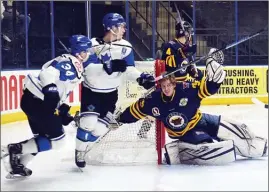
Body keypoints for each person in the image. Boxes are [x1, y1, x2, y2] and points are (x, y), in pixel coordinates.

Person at [115, 55, 268, 165]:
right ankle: (178, 150)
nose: (166, 89)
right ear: (160, 87)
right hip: (184, 133)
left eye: (169, 85)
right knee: (211, 149)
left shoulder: (187, 89)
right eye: (163, 86)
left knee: (240, 129)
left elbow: (208, 89)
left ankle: (262, 148)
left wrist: (215, 81)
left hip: (201, 120)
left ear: (174, 84)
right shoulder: (153, 101)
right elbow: (134, 111)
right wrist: (119, 119)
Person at [1, 35, 91, 178]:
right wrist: (50, 89)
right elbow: (48, 74)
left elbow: (60, 89)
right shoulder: (70, 62)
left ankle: (18, 165)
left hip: (33, 101)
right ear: (78, 52)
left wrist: (61, 109)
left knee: (42, 138)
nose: (88, 54)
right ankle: (14, 149)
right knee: (59, 141)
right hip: (39, 102)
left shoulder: (70, 62)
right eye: (86, 51)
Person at [74, 13, 155, 168]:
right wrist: (108, 67)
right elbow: (88, 70)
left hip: (110, 94)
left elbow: (129, 69)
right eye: (121, 26)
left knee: (100, 129)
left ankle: (83, 145)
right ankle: (79, 150)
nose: (124, 29)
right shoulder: (91, 45)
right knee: (88, 123)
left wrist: (141, 78)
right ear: (112, 28)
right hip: (92, 92)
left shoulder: (126, 47)